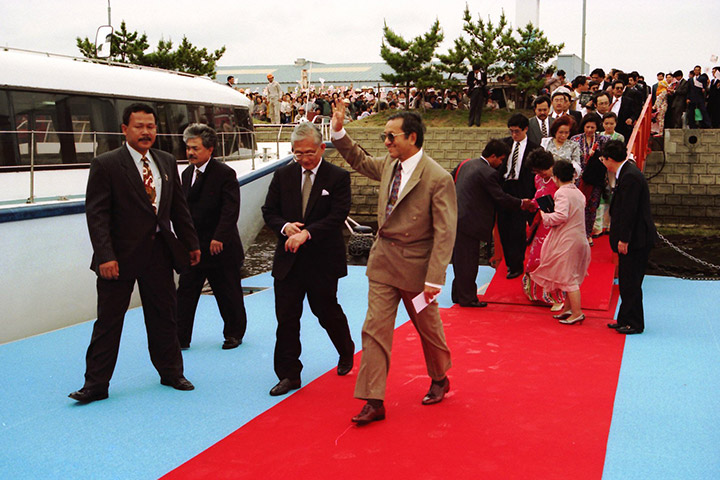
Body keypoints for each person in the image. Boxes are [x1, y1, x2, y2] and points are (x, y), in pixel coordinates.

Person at [330, 103, 457, 426]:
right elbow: (358, 159)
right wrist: (339, 131)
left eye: (390, 136)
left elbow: (445, 233)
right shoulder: (389, 164)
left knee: (428, 329)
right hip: (383, 262)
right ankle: (374, 400)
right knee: (374, 330)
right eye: (383, 136)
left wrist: (435, 277)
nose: (385, 142)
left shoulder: (438, 178)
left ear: (411, 137)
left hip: (418, 269)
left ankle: (440, 376)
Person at [69, 103, 201, 403]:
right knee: (108, 322)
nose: (146, 132)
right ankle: (95, 385)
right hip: (119, 257)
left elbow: (179, 209)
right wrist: (105, 256)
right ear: (124, 129)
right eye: (139, 126)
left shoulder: (167, 162)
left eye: (151, 127)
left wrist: (191, 244)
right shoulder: (106, 165)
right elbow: (97, 215)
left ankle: (171, 373)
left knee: (164, 316)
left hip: (159, 254)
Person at [261, 122, 355, 396]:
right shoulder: (283, 176)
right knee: (287, 318)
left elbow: (338, 215)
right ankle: (289, 374)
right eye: (298, 153)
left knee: (326, 311)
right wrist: (284, 227)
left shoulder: (338, 177)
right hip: (289, 261)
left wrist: (308, 234)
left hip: (322, 260)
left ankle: (345, 349)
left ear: (321, 148)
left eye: (309, 153)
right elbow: (269, 211)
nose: (303, 159)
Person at [176, 124, 247, 351]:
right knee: (185, 293)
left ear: (210, 149)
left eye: (195, 148)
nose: (190, 153)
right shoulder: (186, 175)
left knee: (228, 293)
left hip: (220, 246)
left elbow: (230, 210)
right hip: (195, 247)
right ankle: (180, 337)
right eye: (188, 148)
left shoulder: (225, 174)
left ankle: (234, 334)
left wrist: (219, 237)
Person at [452, 139, 536, 306]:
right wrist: (522, 203)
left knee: (460, 259)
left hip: (457, 218)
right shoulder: (488, 172)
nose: (501, 163)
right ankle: (468, 298)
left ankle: (458, 294)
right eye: (501, 159)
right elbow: (500, 197)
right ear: (492, 156)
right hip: (471, 222)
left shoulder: (466, 164)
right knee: (469, 261)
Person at [602, 141, 657, 335]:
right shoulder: (628, 172)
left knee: (631, 281)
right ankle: (625, 318)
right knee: (626, 280)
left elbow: (629, 211)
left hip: (636, 239)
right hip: (635, 237)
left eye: (603, 159)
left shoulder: (630, 177)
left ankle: (634, 322)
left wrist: (624, 239)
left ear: (609, 159)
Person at [528, 160, 591, 325]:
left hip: (567, 240)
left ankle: (577, 312)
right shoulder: (578, 192)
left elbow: (561, 216)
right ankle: (569, 309)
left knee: (568, 278)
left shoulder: (562, 193)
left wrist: (544, 215)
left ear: (555, 177)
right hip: (579, 238)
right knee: (572, 276)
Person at [499, 114, 540, 278]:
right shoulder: (504, 144)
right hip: (504, 189)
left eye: (517, 131)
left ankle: (516, 264)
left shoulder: (534, 148)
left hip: (522, 190)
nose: (514, 135)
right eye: (511, 131)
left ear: (525, 129)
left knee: (517, 230)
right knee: (504, 228)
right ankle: (509, 261)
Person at [571, 114, 608, 243]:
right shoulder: (575, 139)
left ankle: (588, 233)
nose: (590, 130)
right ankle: (576, 233)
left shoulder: (603, 140)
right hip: (578, 178)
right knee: (578, 206)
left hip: (595, 178)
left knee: (592, 206)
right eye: (587, 127)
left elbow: (606, 157)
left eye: (593, 127)